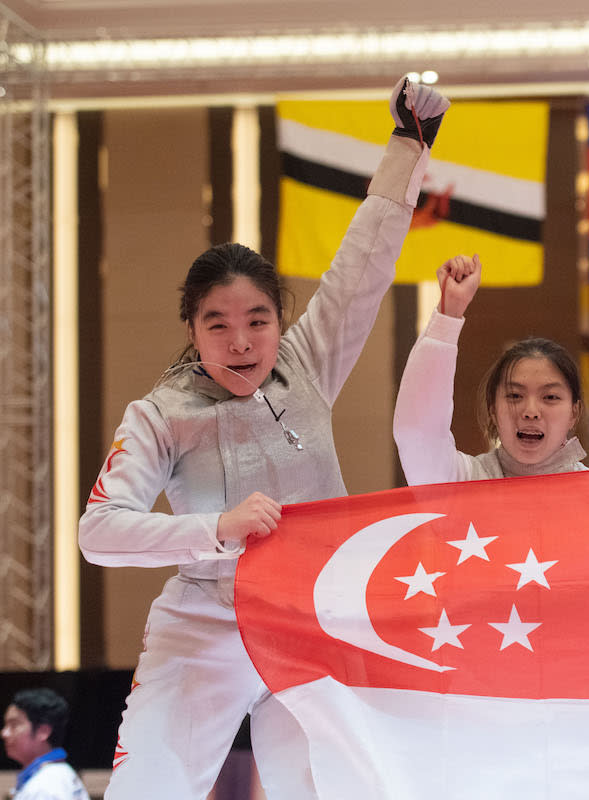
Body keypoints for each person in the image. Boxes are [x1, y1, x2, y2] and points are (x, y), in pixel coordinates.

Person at [78, 77, 449, 800]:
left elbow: (362, 265)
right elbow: (100, 532)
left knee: (323, 790)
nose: (241, 340)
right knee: (146, 790)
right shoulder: (159, 413)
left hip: (311, 618)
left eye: (257, 319)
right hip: (204, 621)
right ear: (191, 329)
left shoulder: (305, 365)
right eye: (218, 322)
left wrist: (408, 143)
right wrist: (216, 529)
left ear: (279, 322)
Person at [394, 253, 587, 483]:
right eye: (515, 395)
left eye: (550, 397)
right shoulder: (465, 481)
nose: (531, 411)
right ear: (493, 409)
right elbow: (418, 435)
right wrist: (450, 313)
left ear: (574, 413)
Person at [2, 689, 87, 800]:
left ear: (43, 731)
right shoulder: (55, 775)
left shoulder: (46, 786)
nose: (4, 733)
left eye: (14, 725)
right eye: (6, 726)